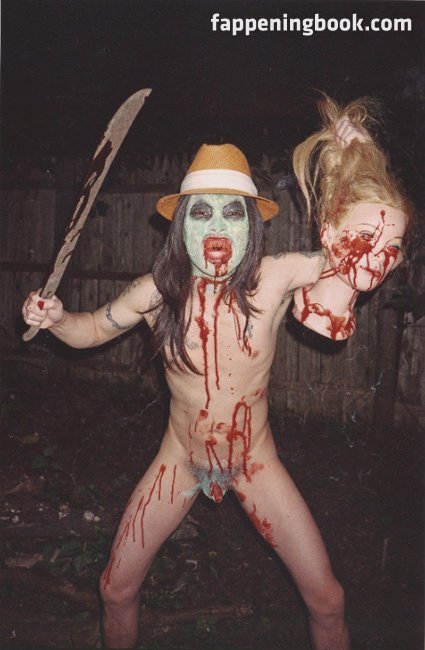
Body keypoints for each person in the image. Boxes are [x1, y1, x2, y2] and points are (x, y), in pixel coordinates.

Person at [22, 116, 387, 649]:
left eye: (232, 212)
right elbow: (92, 330)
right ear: (181, 226)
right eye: (201, 211)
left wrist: (362, 161)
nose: (217, 226)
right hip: (180, 461)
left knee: (328, 601)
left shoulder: (275, 277)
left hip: (254, 462)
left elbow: (360, 250)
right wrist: (56, 319)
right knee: (114, 590)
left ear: (252, 225)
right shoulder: (156, 292)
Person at [292, 96, 412, 340]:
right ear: (327, 234)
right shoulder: (282, 276)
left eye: (391, 247)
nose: (379, 257)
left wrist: (368, 152)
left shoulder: (389, 259)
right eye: (366, 236)